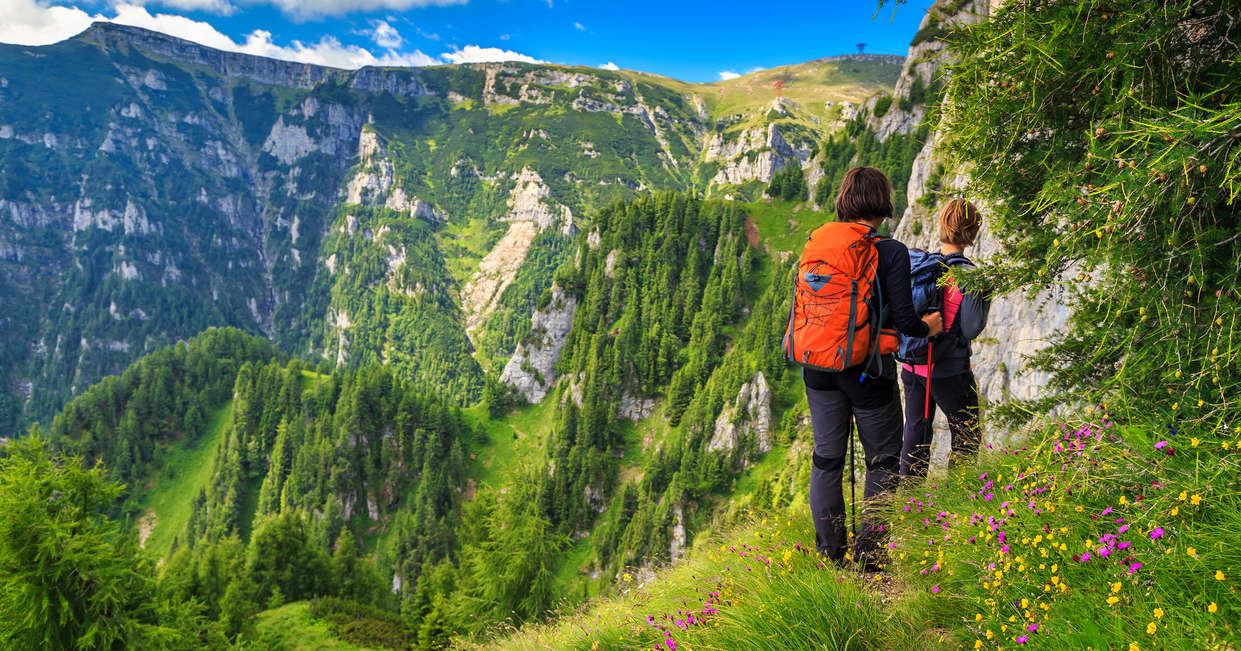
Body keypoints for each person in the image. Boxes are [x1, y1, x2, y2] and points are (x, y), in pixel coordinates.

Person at [801, 166, 943, 569]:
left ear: (845, 199)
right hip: (868, 371)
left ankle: (831, 554)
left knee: (826, 458)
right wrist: (929, 327)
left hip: (818, 366)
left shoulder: (820, 242)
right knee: (881, 459)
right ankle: (871, 554)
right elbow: (904, 319)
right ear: (882, 203)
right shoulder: (890, 251)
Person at [900, 199, 991, 479]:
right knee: (966, 434)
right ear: (973, 232)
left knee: (915, 434)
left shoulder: (921, 265)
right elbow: (971, 328)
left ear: (942, 226)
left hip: (913, 365)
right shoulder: (971, 275)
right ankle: (957, 500)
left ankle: (908, 505)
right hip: (949, 369)